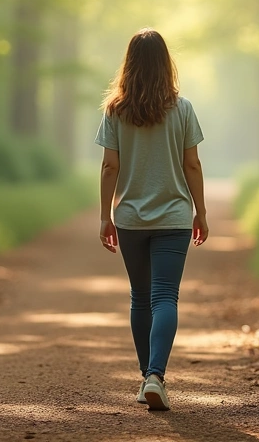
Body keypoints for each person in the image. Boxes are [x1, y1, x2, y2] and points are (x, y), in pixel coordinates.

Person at [95, 28, 208, 412]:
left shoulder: (115, 110)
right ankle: (154, 376)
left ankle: (149, 378)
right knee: (164, 297)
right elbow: (191, 162)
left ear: (129, 64)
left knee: (141, 297)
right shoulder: (183, 108)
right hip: (174, 217)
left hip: (130, 219)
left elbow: (110, 165)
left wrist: (105, 216)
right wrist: (201, 212)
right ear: (165, 64)